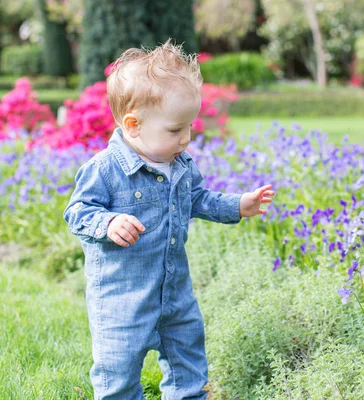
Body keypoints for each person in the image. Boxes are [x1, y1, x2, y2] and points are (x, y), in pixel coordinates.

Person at [63, 40, 275, 399]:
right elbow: (78, 213)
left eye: (189, 127)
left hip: (176, 296)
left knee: (188, 367)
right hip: (123, 300)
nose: (187, 138)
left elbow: (197, 199)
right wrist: (108, 223)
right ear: (133, 125)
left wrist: (237, 205)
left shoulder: (180, 165)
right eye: (176, 130)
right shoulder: (104, 169)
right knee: (118, 376)